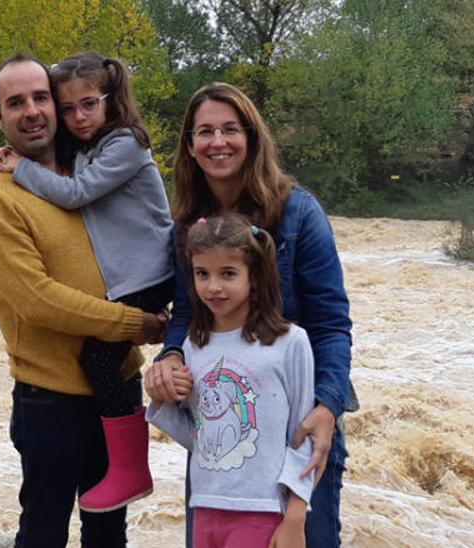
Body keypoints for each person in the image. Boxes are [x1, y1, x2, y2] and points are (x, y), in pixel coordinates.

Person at [0, 52, 168, 547]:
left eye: (41, 98)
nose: (32, 110)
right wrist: (131, 324)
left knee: (108, 533)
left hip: (117, 384)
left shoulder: (89, 163)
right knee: (43, 530)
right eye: (16, 103)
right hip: (49, 401)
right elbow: (37, 300)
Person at [144, 82, 358, 547]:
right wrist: (172, 357)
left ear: (252, 138)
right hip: (227, 454)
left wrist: (327, 406)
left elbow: (330, 324)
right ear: (190, 145)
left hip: (301, 422)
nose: (217, 141)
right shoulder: (187, 225)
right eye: (205, 131)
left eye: (230, 129)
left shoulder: (298, 213)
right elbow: (186, 314)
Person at [146, 213, 314, 548]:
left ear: (254, 277)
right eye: (202, 274)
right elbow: (203, 439)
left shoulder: (289, 343)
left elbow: (303, 434)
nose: (213, 286)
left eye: (228, 273)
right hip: (205, 506)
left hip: (263, 510)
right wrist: (161, 398)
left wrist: (296, 515)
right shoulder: (193, 346)